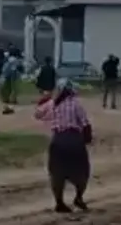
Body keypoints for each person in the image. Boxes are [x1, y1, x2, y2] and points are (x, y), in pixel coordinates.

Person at [35, 79, 93, 213]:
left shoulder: (52, 104)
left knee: (56, 174)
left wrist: (45, 101)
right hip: (74, 140)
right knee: (82, 171)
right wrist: (86, 140)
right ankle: (78, 197)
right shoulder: (76, 104)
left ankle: (59, 202)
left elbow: (37, 114)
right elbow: (85, 124)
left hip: (58, 141)